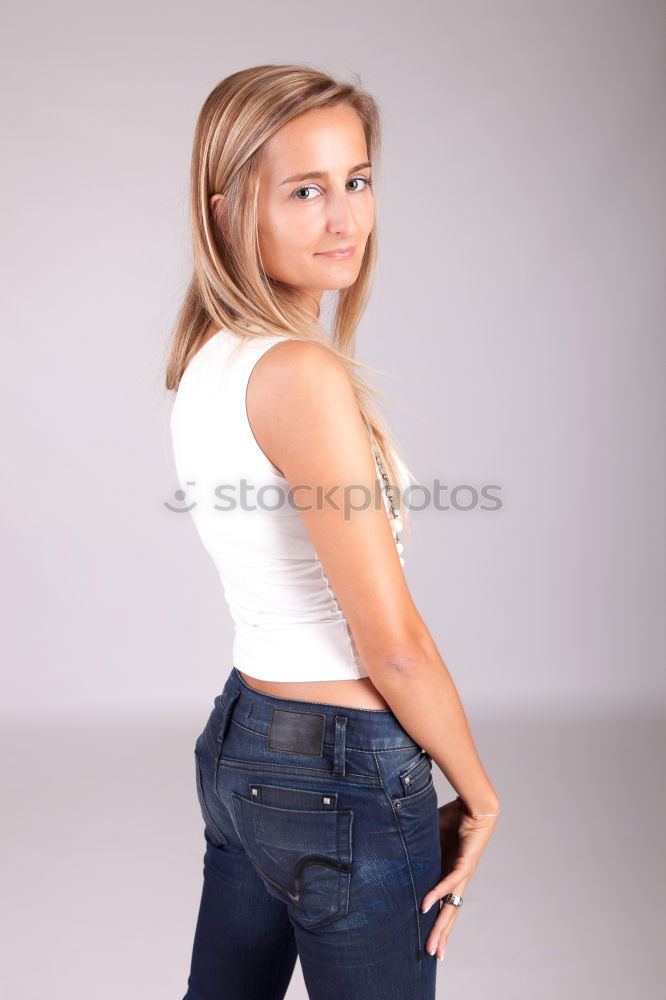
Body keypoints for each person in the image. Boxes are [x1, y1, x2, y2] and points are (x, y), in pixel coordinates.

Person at [166, 63, 501, 1000]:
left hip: (244, 741)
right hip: (341, 772)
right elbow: (388, 644)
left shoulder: (208, 360)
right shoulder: (299, 375)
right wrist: (478, 792)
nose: (345, 218)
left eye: (356, 181)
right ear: (232, 210)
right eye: (305, 190)